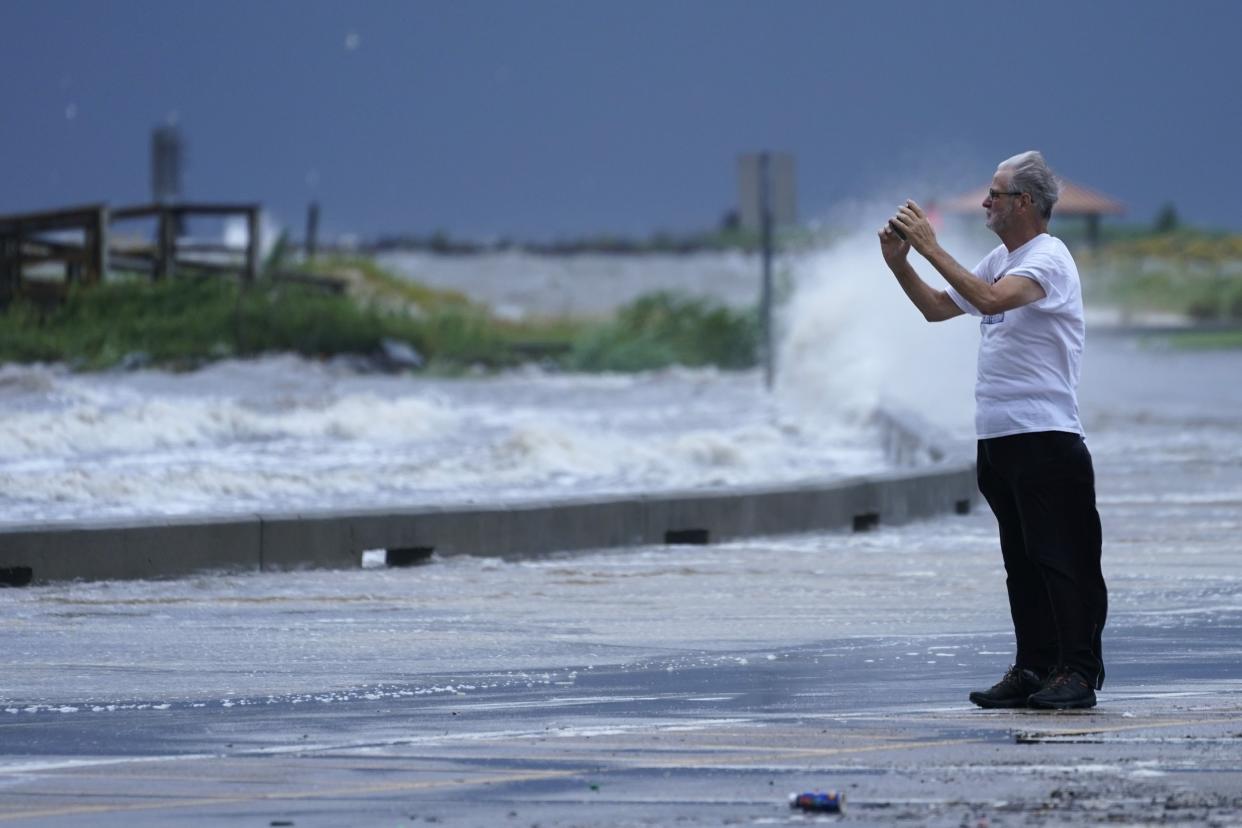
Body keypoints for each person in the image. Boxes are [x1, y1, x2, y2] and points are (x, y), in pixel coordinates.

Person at [879, 151, 1106, 710]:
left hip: (1046, 436)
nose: (985, 202)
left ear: (1024, 203)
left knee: (1062, 560)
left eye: (995, 194)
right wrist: (901, 264)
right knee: (1021, 564)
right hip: (999, 437)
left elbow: (989, 300)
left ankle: (1076, 673)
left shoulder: (1047, 259)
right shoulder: (1000, 258)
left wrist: (931, 246)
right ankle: (1033, 667)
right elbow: (938, 308)